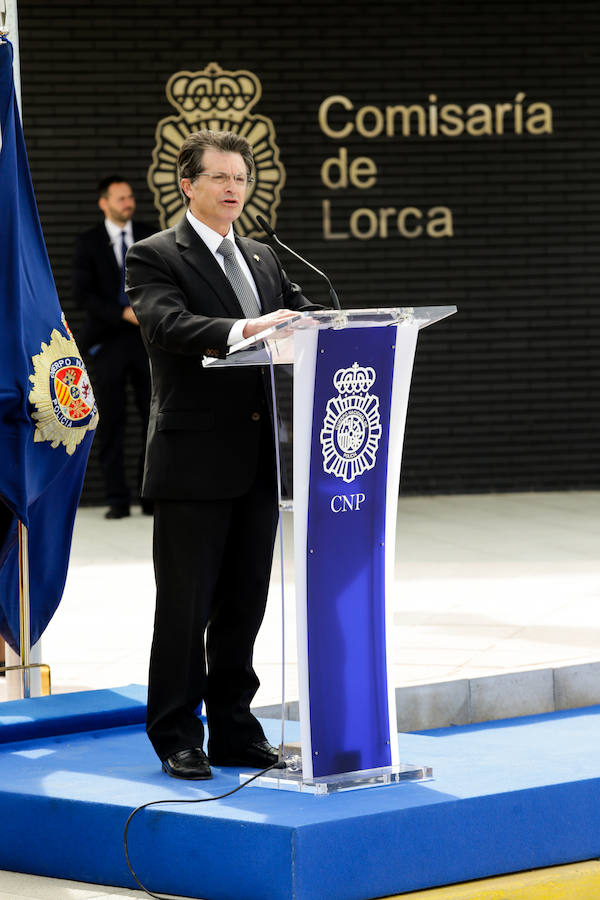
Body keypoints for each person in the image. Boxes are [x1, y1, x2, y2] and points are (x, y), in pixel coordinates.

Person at [126, 130, 318, 779]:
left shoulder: (264, 258)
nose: (235, 188)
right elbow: (165, 324)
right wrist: (246, 329)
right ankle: (177, 733)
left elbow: (303, 312)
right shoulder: (157, 255)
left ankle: (236, 728)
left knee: (244, 605)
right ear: (188, 184)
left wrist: (330, 327)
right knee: (185, 609)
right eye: (220, 178)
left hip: (259, 460)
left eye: (241, 178)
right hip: (192, 464)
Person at [72, 176, 155, 519]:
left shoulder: (151, 235)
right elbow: (83, 296)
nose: (128, 203)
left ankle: (150, 495)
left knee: (153, 419)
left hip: (147, 341)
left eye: (130, 197)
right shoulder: (88, 243)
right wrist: (121, 312)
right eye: (120, 198)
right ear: (103, 203)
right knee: (112, 421)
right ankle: (117, 499)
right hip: (107, 342)